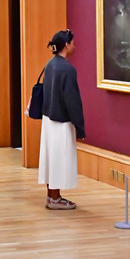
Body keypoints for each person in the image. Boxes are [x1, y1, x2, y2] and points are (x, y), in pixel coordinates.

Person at [38, 29, 85, 210]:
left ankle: (51, 196)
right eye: (73, 42)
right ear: (66, 44)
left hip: (48, 118)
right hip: (61, 121)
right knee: (58, 159)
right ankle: (56, 199)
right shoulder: (68, 69)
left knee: (51, 158)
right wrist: (80, 127)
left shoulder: (50, 65)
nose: (75, 46)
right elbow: (72, 101)